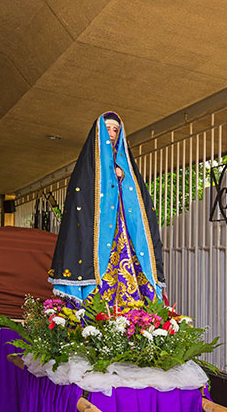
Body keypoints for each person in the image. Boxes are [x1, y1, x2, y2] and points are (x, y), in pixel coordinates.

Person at [48, 111, 165, 306]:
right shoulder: (86, 170)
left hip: (124, 229)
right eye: (107, 129)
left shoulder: (128, 168)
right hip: (98, 234)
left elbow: (140, 205)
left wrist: (122, 180)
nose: (111, 133)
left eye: (115, 130)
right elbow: (81, 205)